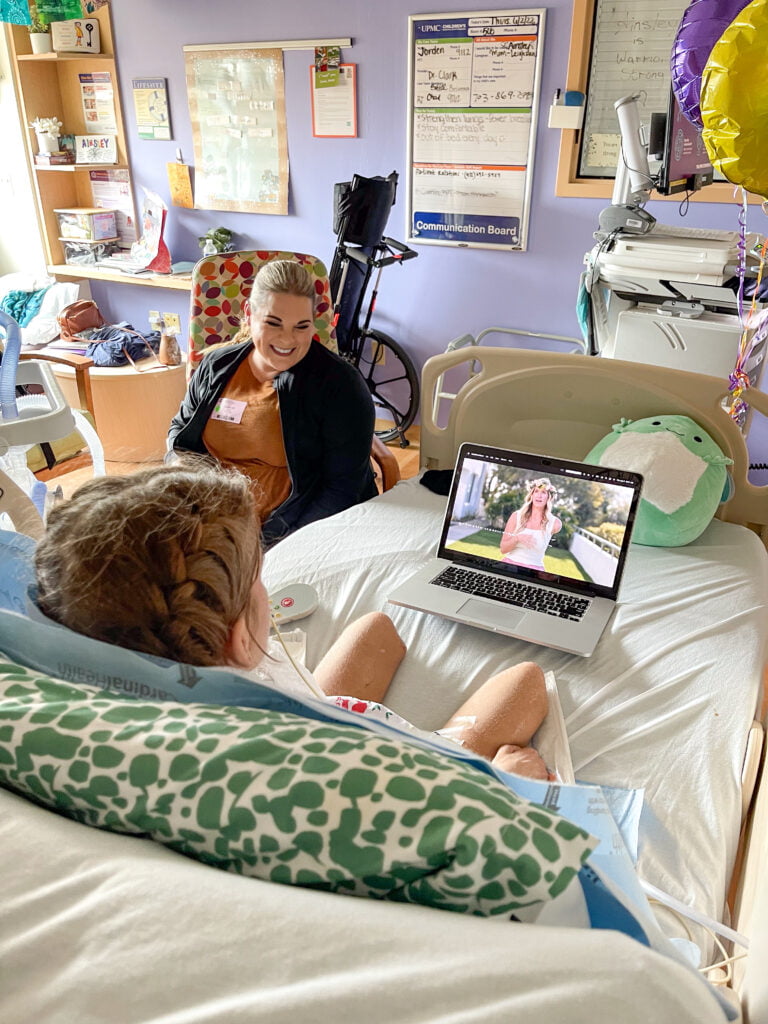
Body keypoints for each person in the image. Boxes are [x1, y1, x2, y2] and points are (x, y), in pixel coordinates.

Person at [34, 463, 549, 779]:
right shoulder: (309, 767)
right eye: (259, 579)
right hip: (377, 754)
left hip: (312, 710)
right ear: (239, 639)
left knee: (374, 628)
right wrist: (507, 778)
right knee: (526, 682)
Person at [167, 260, 377, 546]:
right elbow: (181, 429)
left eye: (301, 326)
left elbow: (342, 490)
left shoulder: (339, 386)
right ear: (249, 314)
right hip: (206, 520)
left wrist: (272, 546)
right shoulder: (216, 366)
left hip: (287, 533)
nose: (287, 340)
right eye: (273, 323)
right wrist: (178, 464)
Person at [500, 478, 562, 571]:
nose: (539, 496)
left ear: (549, 497)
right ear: (532, 495)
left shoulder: (555, 524)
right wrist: (517, 538)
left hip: (534, 570)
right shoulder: (516, 516)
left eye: (543, 492)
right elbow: (503, 549)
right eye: (536, 491)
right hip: (509, 566)